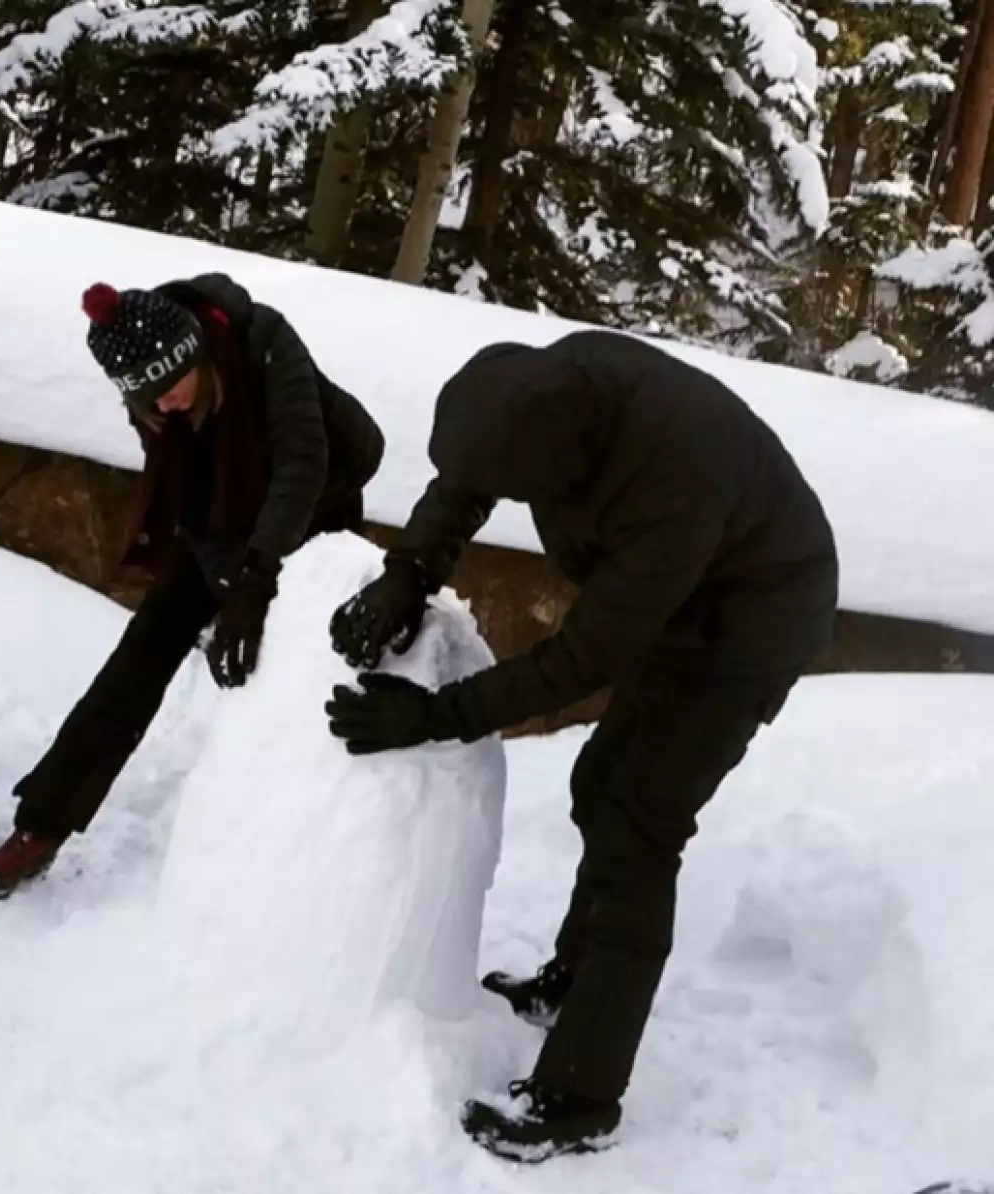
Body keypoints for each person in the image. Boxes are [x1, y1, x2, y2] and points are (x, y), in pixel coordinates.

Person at [325, 331, 838, 1162]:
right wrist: (406, 573)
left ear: (561, 466)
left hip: (750, 624)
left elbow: (584, 659)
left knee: (640, 824)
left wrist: (433, 715)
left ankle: (581, 1095)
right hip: (682, 597)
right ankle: (574, 979)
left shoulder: (670, 479)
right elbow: (467, 480)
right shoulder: (531, 390)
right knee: (599, 784)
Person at [0, 272, 385, 901]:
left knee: (312, 668)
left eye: (170, 389)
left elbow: (303, 462)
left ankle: (311, 853)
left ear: (197, 357)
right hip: (223, 512)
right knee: (139, 658)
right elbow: (186, 498)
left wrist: (256, 582)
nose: (164, 406)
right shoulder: (155, 398)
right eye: (146, 399)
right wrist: (224, 581)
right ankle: (39, 828)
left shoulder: (264, 343)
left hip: (319, 502)